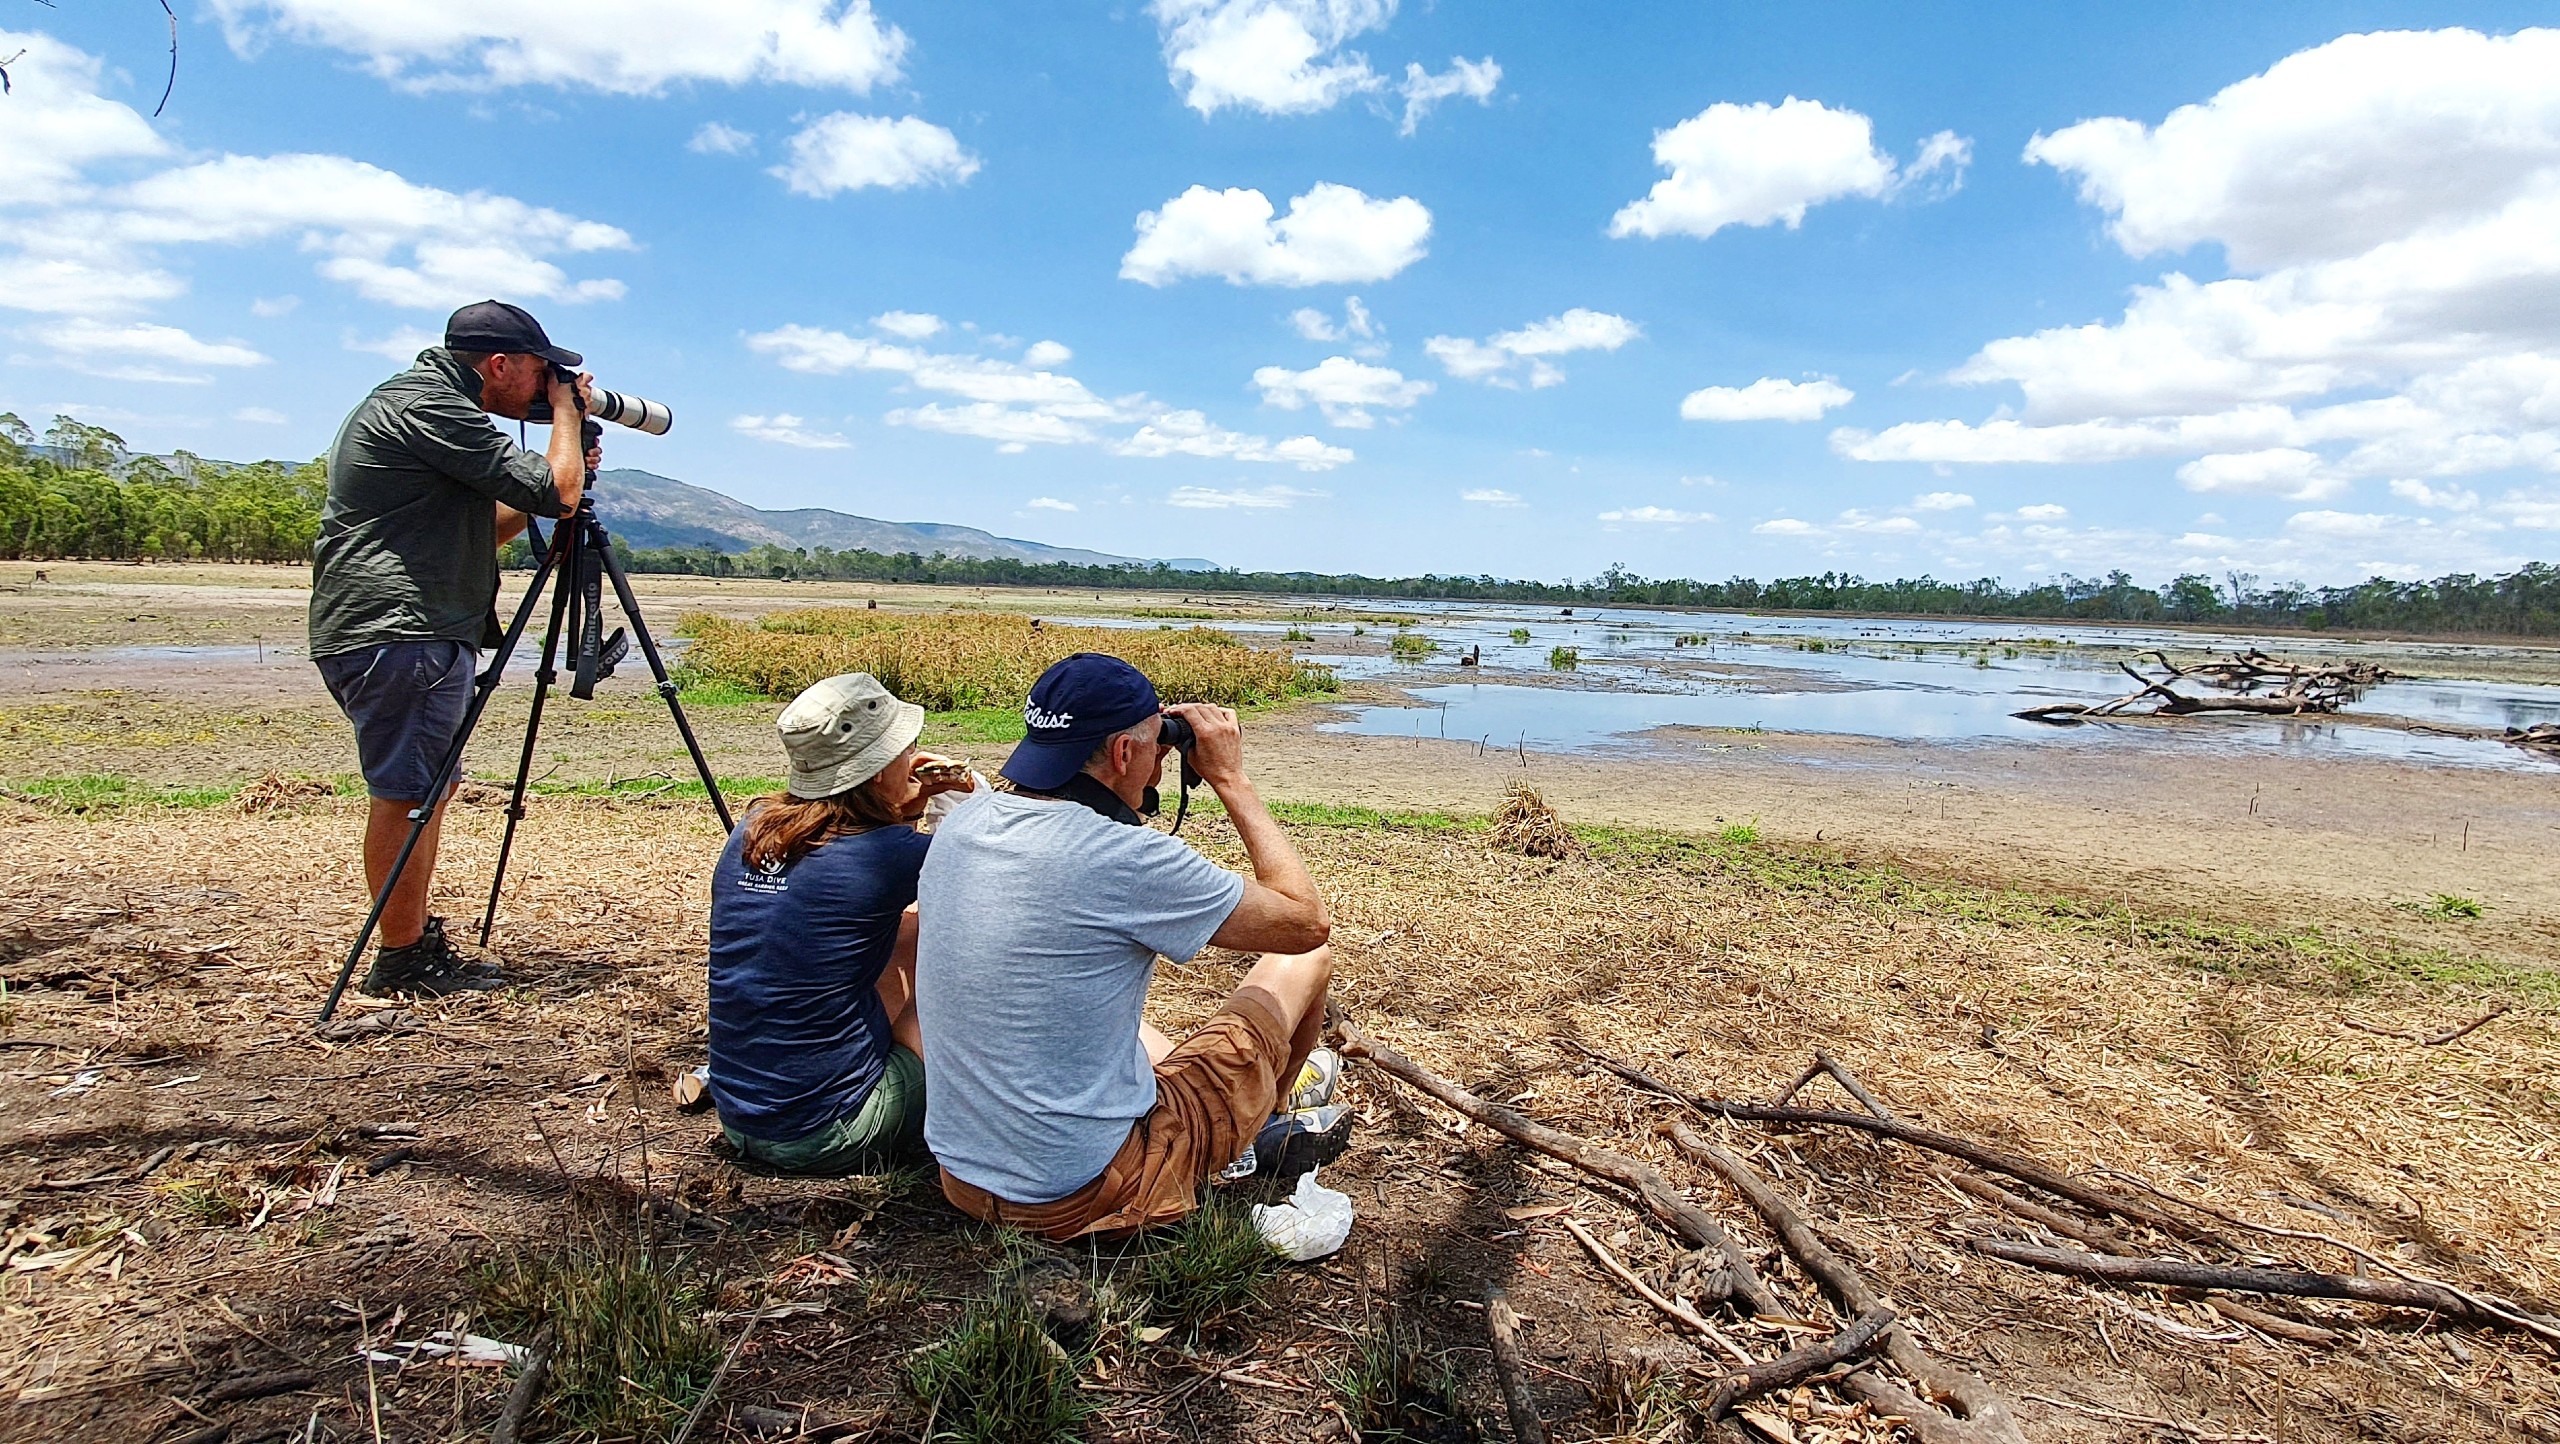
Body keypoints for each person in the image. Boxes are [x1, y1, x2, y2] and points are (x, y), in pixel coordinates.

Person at [915, 653, 1339, 1240]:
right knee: (1304, 962)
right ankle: (1268, 1120)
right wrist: (1231, 779)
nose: (1157, 771)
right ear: (1121, 754)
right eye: (1156, 753)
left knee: (1132, 1031)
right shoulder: (1125, 856)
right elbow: (1305, 922)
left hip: (963, 1179)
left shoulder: (965, 823)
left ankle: (1259, 1113)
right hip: (1083, 1193)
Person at [308, 300, 598, 997]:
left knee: (426, 789)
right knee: (410, 795)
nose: (542, 385)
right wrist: (566, 422)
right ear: (499, 364)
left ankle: (409, 941)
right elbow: (554, 493)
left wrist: (565, 467)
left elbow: (490, 527)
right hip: (402, 629)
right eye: (539, 373)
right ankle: (402, 959)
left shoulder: (422, 407)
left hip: (405, 627)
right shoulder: (432, 407)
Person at [705, 673, 976, 1175]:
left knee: (903, 935)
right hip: (830, 1131)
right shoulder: (887, 854)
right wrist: (966, 796)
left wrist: (902, 812)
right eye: (905, 749)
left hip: (741, 1118)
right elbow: (990, 880)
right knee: (954, 962)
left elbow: (850, 900)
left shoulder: (753, 828)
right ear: (876, 771)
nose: (913, 756)